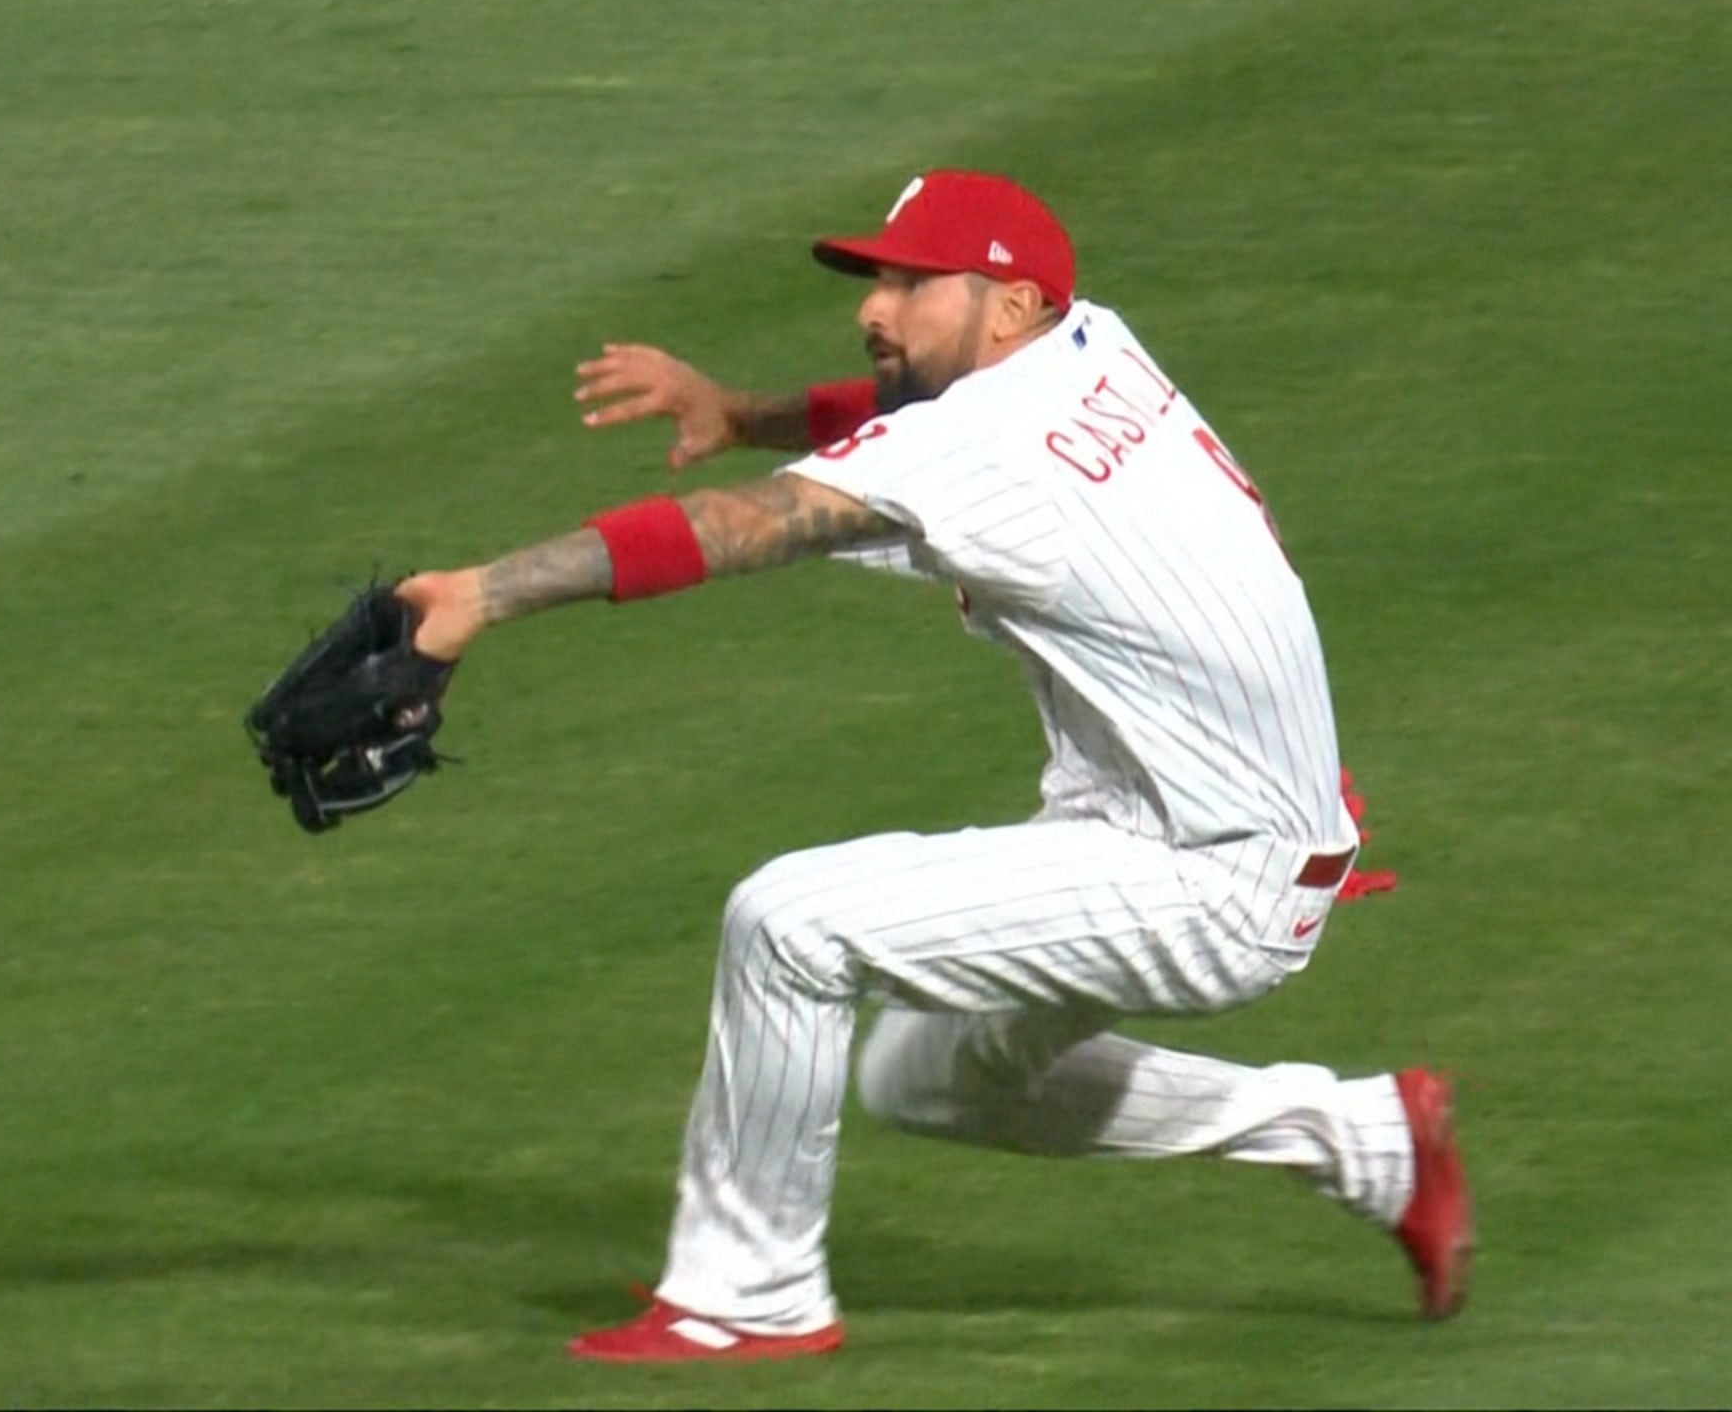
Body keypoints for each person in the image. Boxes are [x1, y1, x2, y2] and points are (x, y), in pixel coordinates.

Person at [391, 169, 1471, 1364]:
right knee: (926, 1077)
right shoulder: (1088, 348)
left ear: (1006, 305)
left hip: (1212, 874)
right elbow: (897, 410)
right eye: (877, 279)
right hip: (1225, 824)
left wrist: (480, 596)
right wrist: (740, 411)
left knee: (787, 922)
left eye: (911, 282)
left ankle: (747, 1297)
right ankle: (1364, 1139)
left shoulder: (993, 447)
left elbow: (739, 527)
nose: (876, 306)